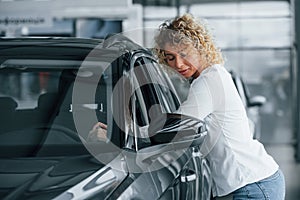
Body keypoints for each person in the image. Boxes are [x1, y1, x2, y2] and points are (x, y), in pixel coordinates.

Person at [153, 13, 285, 200]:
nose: (178, 64)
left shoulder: (208, 81)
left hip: (254, 185)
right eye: (170, 57)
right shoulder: (213, 75)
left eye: (183, 53)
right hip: (256, 182)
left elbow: (177, 127)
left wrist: (123, 133)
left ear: (199, 47)